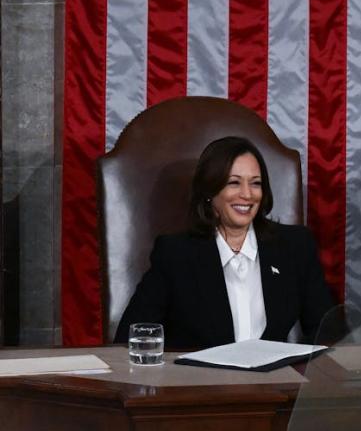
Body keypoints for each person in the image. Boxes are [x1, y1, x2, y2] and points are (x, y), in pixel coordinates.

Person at [115, 136, 335, 349]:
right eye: (234, 183)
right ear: (210, 191)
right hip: (202, 384)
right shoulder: (175, 254)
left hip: (274, 382)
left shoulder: (295, 245)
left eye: (256, 183)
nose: (247, 194)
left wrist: (294, 368)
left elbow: (328, 332)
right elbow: (130, 338)